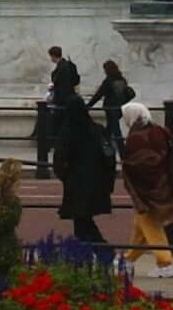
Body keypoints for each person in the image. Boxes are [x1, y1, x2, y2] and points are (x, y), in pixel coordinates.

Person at [117, 98, 173, 279]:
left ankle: (164, 263)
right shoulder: (159, 130)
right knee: (141, 225)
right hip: (166, 183)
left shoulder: (136, 137)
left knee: (149, 224)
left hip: (148, 189)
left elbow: (136, 164)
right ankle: (128, 261)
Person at [53, 79, 115, 244]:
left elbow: (59, 160)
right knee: (82, 221)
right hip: (96, 181)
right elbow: (109, 156)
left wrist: (65, 176)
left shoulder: (67, 133)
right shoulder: (97, 130)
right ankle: (90, 254)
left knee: (81, 220)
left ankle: (101, 252)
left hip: (75, 183)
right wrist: (108, 181)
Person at [41, 46, 82, 178]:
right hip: (66, 101)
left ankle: (53, 146)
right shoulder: (66, 65)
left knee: (58, 124)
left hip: (62, 102)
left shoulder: (62, 67)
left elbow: (60, 84)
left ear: (53, 55)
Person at [89, 60, 136, 158]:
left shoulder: (108, 81)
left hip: (110, 108)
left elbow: (98, 95)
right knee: (109, 131)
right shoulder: (122, 80)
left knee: (116, 132)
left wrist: (88, 106)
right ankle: (103, 150)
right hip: (120, 109)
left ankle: (123, 155)